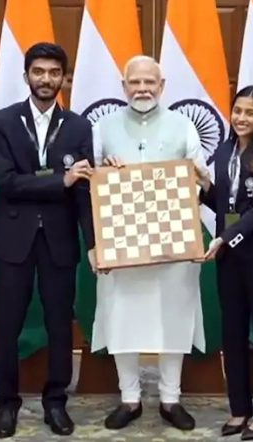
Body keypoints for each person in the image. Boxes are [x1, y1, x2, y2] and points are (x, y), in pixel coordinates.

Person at [0, 42, 95, 438]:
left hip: (60, 239)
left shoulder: (81, 127)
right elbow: (7, 182)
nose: (46, 79)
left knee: (59, 325)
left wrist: (94, 243)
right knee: (8, 325)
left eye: (53, 73)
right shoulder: (1, 122)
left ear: (64, 78)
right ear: (26, 75)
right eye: (38, 72)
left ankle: (55, 402)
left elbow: (84, 191)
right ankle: (7, 403)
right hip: (13, 237)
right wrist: (60, 180)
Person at [92, 55, 205, 431]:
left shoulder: (184, 126)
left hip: (173, 247)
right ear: (123, 87)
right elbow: (90, 188)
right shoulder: (102, 128)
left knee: (174, 319)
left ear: (162, 85)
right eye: (135, 83)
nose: (142, 89)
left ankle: (171, 399)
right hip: (121, 246)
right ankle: (130, 398)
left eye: (149, 83)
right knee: (121, 319)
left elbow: (201, 183)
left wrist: (199, 178)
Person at [196, 86, 253, 440]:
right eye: (237, 111)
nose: (241, 118)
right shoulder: (224, 150)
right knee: (231, 332)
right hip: (230, 257)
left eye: (250, 113)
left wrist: (224, 237)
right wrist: (203, 187)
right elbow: (224, 201)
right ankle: (238, 409)